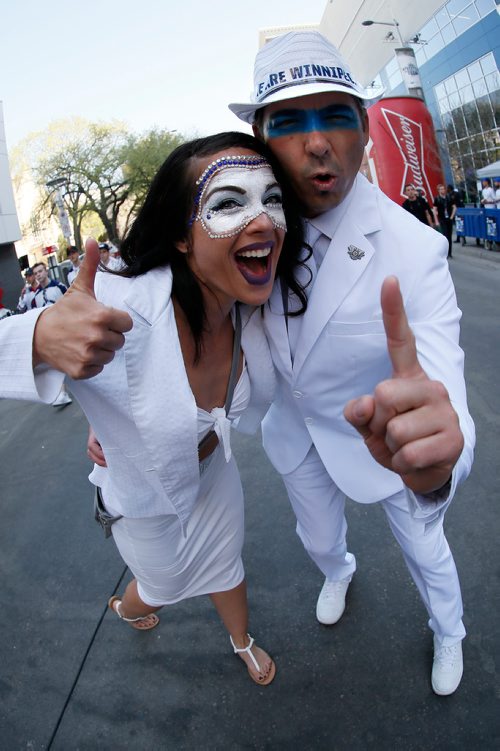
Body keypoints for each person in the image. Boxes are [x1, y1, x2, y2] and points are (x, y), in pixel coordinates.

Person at [0, 132, 308, 685]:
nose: (264, 221)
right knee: (162, 585)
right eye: (230, 203)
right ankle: (129, 607)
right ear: (181, 238)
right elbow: (60, 343)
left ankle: (242, 640)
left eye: (273, 199)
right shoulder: (126, 310)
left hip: (216, 474)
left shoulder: (254, 304)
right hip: (146, 499)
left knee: (226, 560)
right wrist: (40, 336)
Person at [229, 30, 475, 696]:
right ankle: (339, 569)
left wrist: (439, 441)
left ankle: (448, 629)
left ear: (365, 131)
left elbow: (441, 373)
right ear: (258, 138)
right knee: (317, 538)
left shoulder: (415, 248)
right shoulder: (242, 234)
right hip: (296, 432)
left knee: (428, 551)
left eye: (336, 115)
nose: (316, 143)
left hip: (382, 442)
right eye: (289, 121)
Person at [30, 262, 72, 406]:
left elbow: (70, 303)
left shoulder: (59, 287)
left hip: (64, 327)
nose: (39, 275)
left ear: (46, 271)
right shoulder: (35, 296)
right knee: (56, 361)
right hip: (49, 333)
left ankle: (62, 391)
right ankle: (61, 392)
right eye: (36, 273)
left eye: (40, 271)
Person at [433, 184, 456, 258]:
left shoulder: (449, 198)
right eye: (441, 189)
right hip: (442, 219)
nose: (443, 190)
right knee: (445, 236)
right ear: (439, 190)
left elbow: (454, 207)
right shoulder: (437, 199)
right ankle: (445, 252)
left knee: (449, 236)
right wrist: (436, 220)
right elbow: (434, 209)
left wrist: (452, 216)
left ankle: (450, 253)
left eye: (443, 189)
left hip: (448, 219)